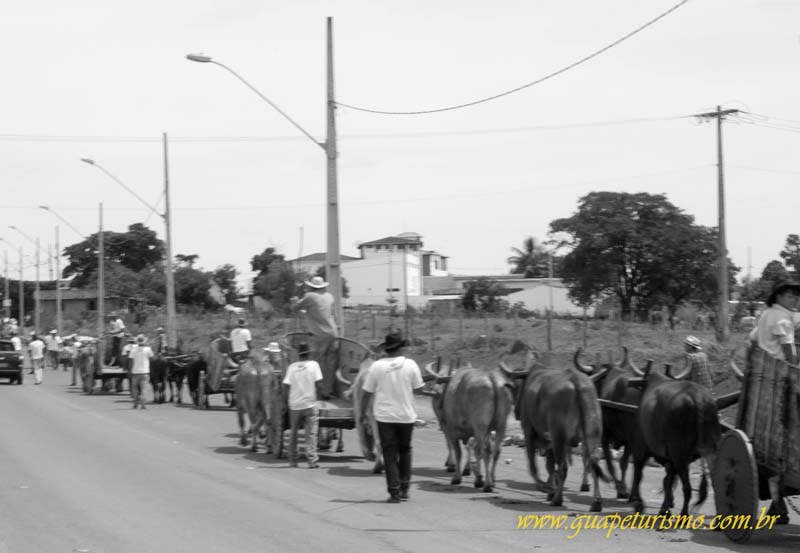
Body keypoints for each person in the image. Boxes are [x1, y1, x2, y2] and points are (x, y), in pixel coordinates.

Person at [361, 329, 424, 503]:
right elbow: (418, 389)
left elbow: (367, 392)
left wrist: (361, 413)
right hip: (406, 416)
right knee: (405, 450)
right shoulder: (410, 364)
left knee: (389, 453)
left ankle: (394, 492)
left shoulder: (376, 366)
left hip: (385, 417)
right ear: (401, 347)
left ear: (387, 348)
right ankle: (405, 488)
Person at [293, 276, 339, 399]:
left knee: (316, 364)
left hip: (319, 335)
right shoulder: (330, 296)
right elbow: (327, 313)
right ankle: (327, 391)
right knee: (330, 364)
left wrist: (296, 298)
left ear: (311, 286)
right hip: (333, 334)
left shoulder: (310, 296)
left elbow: (295, 308)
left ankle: (316, 391)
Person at [282, 342, 323, 469]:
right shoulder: (314, 365)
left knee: (293, 432)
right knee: (311, 433)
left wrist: (286, 401)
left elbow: (285, 385)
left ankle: (293, 460)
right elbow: (319, 384)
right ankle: (311, 460)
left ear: (298, 354)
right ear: (309, 353)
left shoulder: (292, 367)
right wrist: (319, 398)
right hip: (310, 404)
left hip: (294, 405)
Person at [749, 279, 800, 364]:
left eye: (796, 297)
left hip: (761, 362)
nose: (794, 300)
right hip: (777, 366)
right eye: (790, 297)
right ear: (778, 297)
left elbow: (753, 337)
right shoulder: (784, 320)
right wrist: (794, 367)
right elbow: (788, 347)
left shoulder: (767, 312)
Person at [129, 334, 153, 409]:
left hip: (135, 372)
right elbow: (152, 358)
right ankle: (143, 404)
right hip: (145, 372)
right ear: (144, 341)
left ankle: (135, 404)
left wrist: (130, 370)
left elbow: (130, 361)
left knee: (135, 389)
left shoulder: (133, 349)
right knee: (144, 389)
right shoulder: (148, 349)